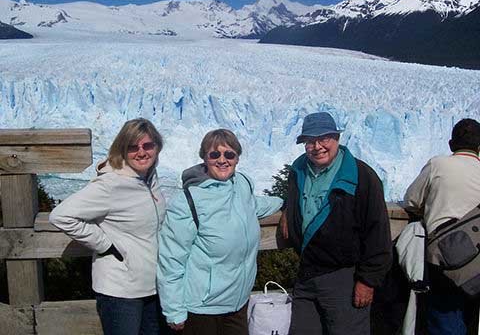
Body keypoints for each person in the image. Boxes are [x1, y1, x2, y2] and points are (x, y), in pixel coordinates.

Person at [49, 118, 171, 335]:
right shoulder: (110, 184)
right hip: (121, 290)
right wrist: (105, 244)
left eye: (148, 145)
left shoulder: (150, 178)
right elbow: (61, 216)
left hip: (153, 286)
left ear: (157, 147)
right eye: (133, 147)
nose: (141, 152)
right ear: (122, 150)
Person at [157, 128, 284, 335]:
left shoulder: (241, 184)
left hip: (238, 302)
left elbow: (252, 205)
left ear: (237, 158)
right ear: (204, 158)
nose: (222, 160)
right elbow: (171, 260)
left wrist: (285, 203)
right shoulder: (188, 201)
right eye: (214, 154)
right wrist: (174, 311)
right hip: (202, 308)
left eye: (229, 154)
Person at [280, 112, 392, 335]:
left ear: (337, 138)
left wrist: (367, 280)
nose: (317, 146)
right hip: (306, 274)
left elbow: (377, 231)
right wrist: (286, 210)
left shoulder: (361, 176)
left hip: (345, 280)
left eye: (324, 138)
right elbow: (298, 202)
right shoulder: (299, 170)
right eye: (310, 141)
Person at [404, 118, 480, 335]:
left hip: (445, 257)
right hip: (477, 261)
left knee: (445, 317)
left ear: (450, 144)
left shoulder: (438, 164)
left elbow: (411, 200)